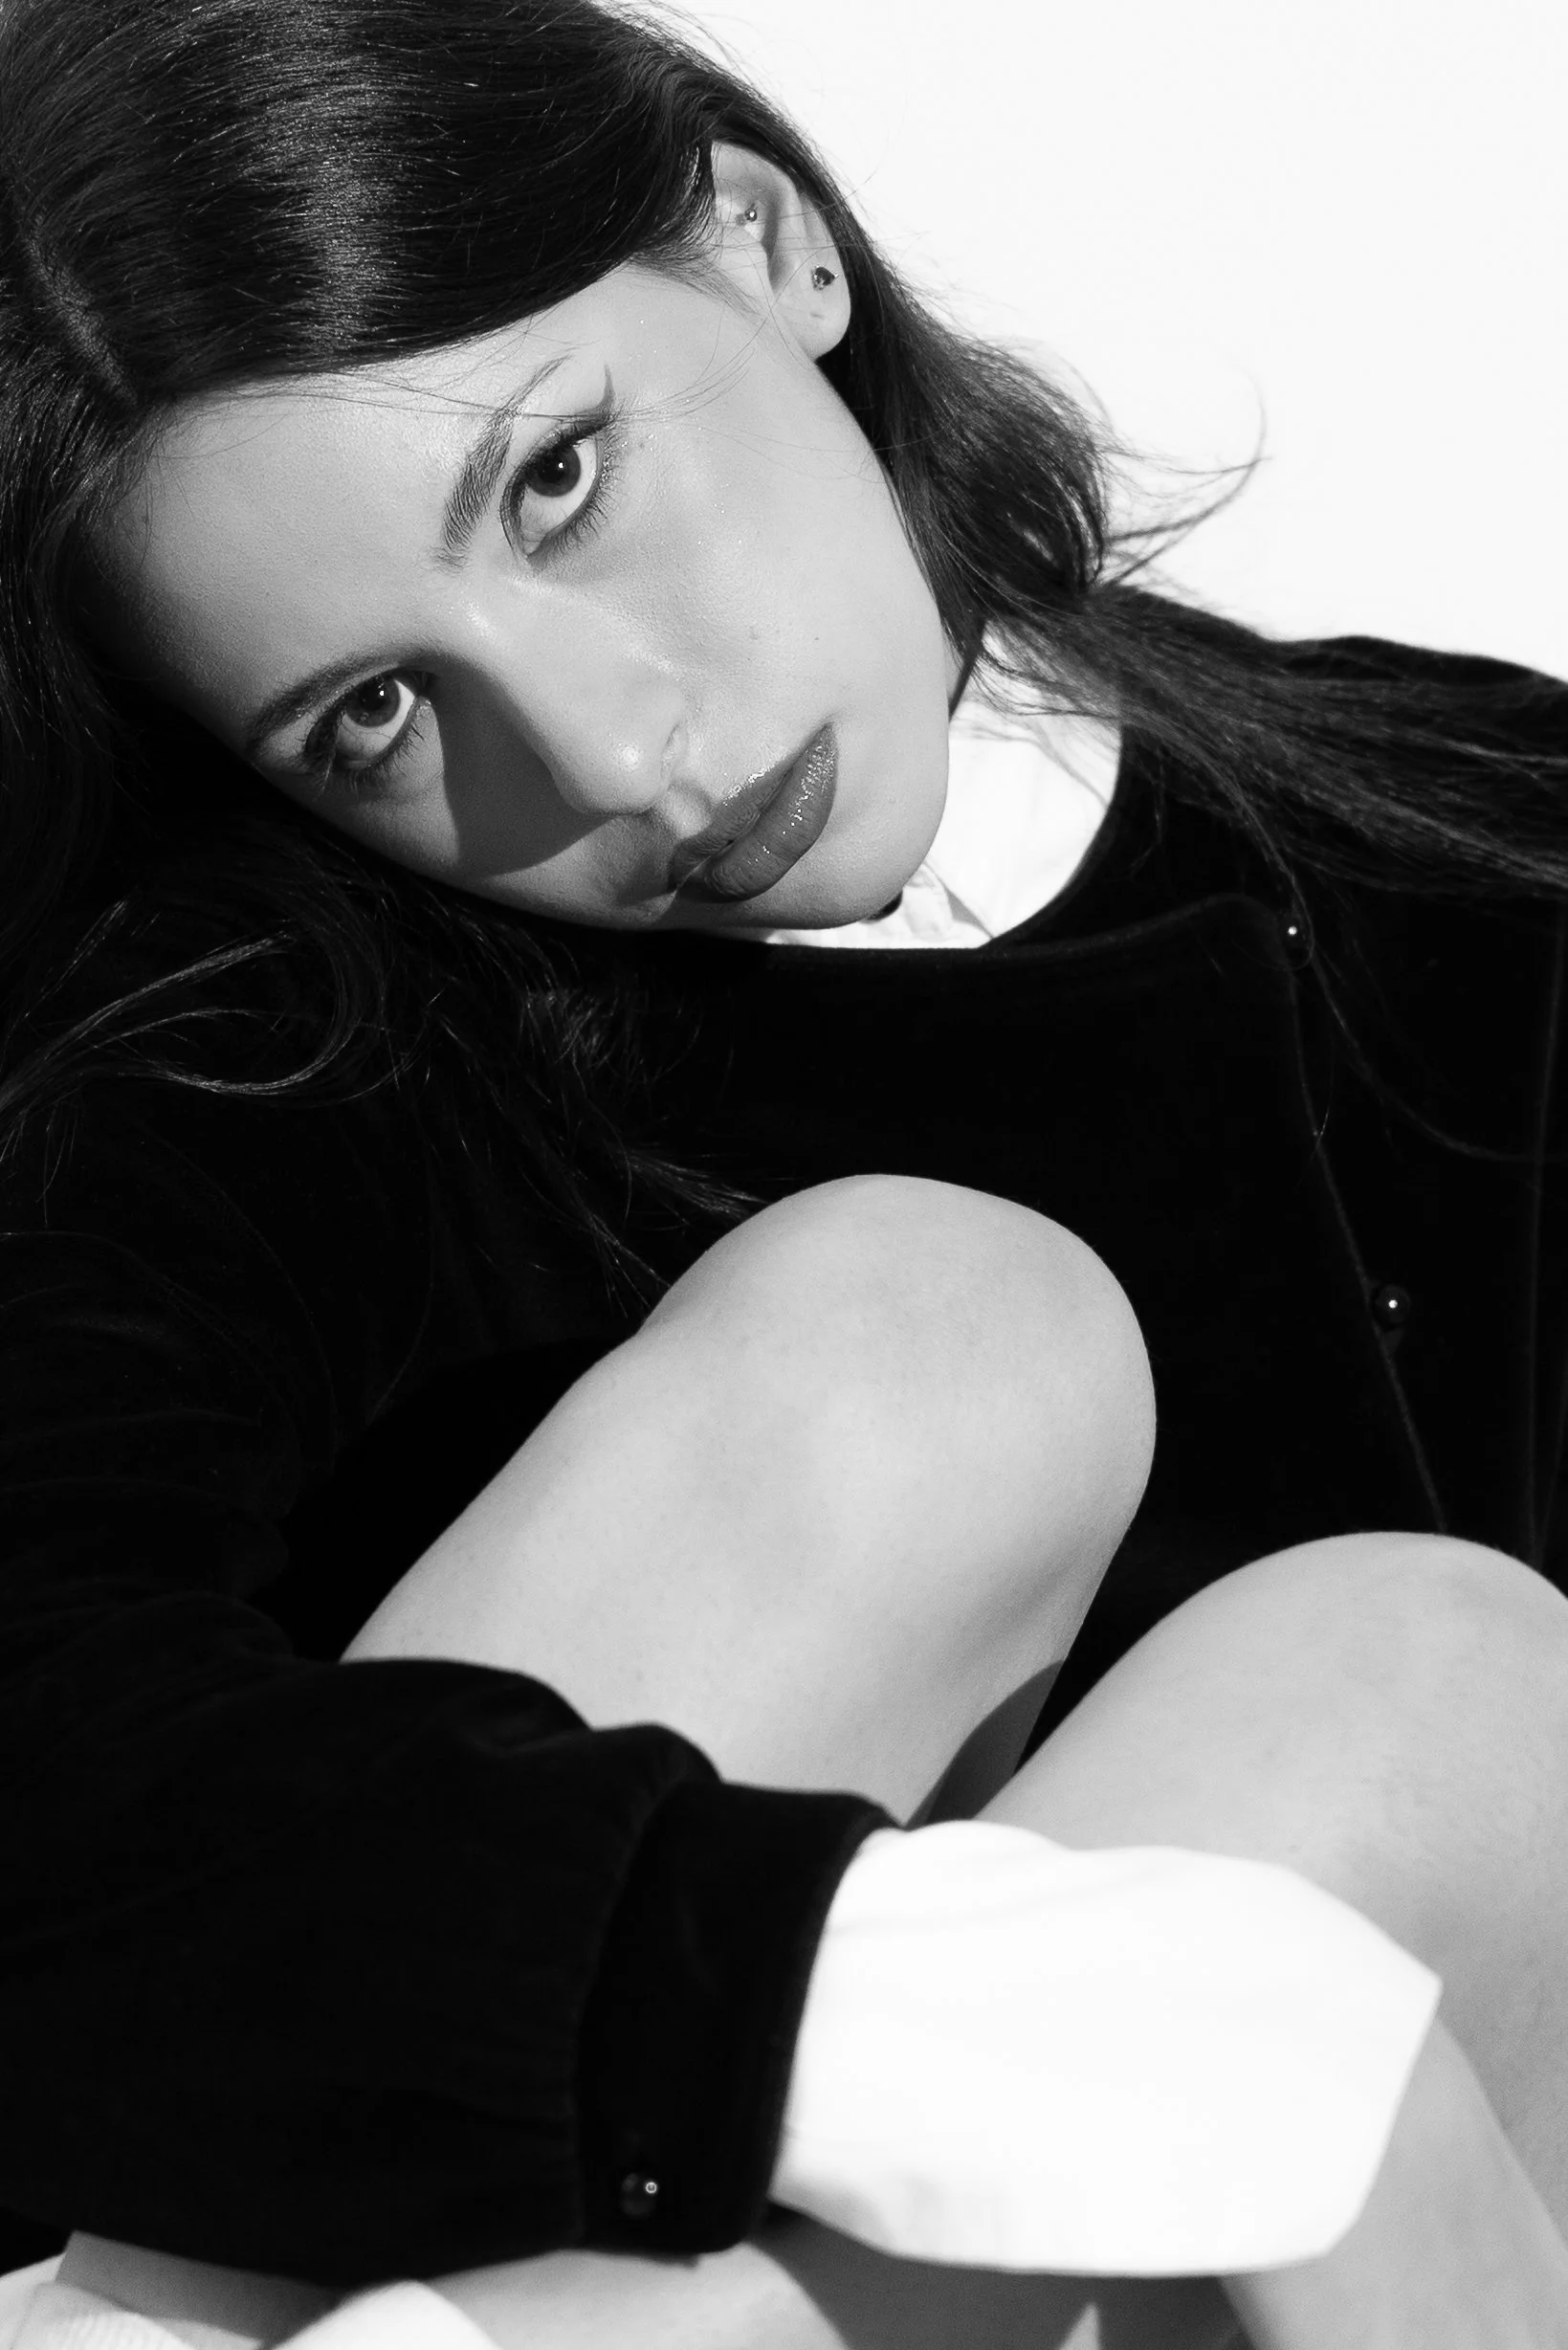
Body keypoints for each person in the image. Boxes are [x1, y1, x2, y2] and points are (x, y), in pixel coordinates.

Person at [1, 0, 1567, 2345]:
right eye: (379, 714)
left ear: (765, 242)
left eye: (557, 483)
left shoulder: (1493, 855)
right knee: (936, 1344)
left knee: (1424, 1689)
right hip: (295, 2255)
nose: (621, 745)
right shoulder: (292, 1053)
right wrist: (866, 2002)